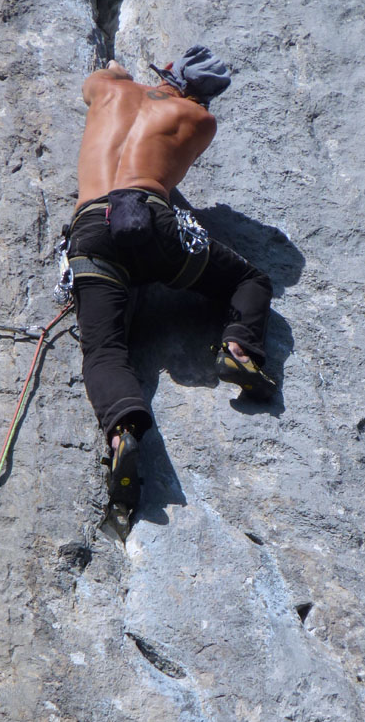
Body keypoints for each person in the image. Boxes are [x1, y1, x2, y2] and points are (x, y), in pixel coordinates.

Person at [68, 45, 276, 509]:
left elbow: (97, 84)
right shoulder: (200, 121)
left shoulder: (108, 90)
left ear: (166, 72)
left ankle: (122, 433)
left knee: (104, 350)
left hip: (91, 230)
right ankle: (238, 348)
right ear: (206, 96)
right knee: (251, 281)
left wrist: (117, 73)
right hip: (151, 222)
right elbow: (169, 146)